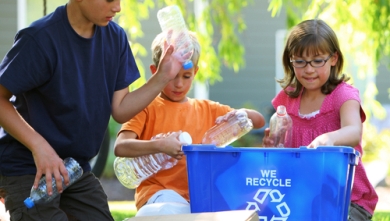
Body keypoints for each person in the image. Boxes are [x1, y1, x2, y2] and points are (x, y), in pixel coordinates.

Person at [0, 0, 183, 220]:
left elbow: (120, 109)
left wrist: (163, 76)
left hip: (75, 169)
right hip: (28, 166)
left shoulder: (116, 39)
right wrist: (40, 147)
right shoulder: (39, 40)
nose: (118, 8)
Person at [114, 31, 266, 216]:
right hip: (159, 196)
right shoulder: (144, 106)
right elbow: (121, 147)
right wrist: (159, 146)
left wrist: (241, 115)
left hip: (198, 198)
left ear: (195, 72)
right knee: (169, 211)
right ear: (156, 72)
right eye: (172, 76)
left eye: (186, 76)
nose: (179, 84)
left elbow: (258, 121)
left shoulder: (208, 109)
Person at [262, 19, 378, 220]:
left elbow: (353, 131)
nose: (308, 69)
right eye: (300, 61)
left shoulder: (344, 96)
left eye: (317, 61)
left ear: (333, 58)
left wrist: (330, 138)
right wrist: (272, 144)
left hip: (346, 199)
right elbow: (279, 152)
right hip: (300, 198)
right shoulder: (287, 99)